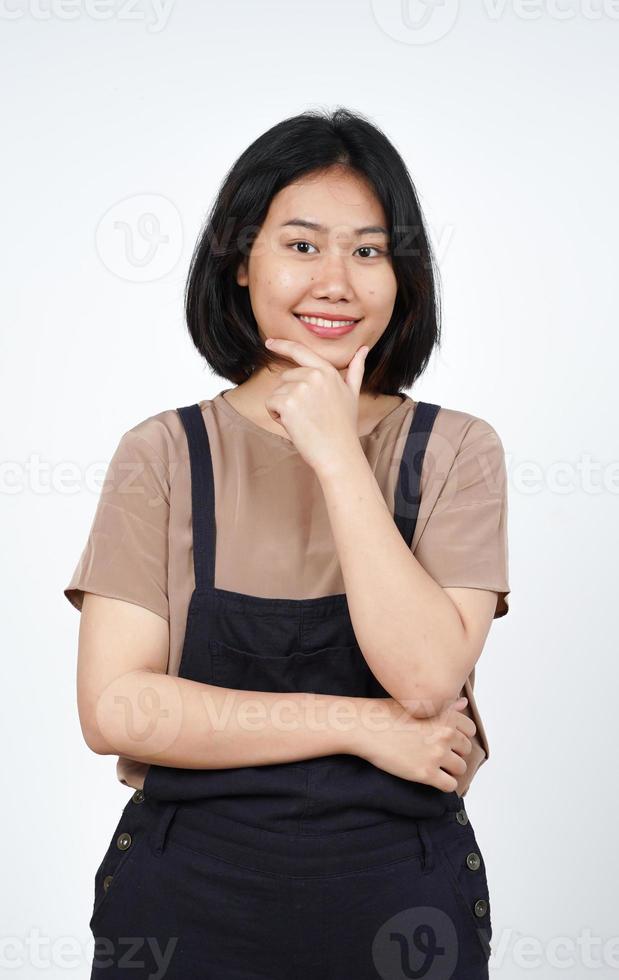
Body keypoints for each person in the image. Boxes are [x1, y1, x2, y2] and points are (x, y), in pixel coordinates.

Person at [64, 107, 510, 979]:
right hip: (184, 901)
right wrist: (361, 726)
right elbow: (116, 710)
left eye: (369, 250)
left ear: (402, 274)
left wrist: (339, 456)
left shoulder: (457, 451)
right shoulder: (162, 453)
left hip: (400, 910)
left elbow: (424, 677)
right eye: (301, 245)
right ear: (240, 263)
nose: (336, 281)